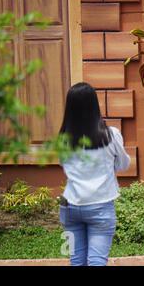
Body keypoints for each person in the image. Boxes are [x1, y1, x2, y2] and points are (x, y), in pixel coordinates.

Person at [58, 82, 130, 266]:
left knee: (76, 261)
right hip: (100, 206)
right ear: (94, 105)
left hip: (70, 207)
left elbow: (64, 166)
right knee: (97, 261)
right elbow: (123, 164)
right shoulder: (110, 135)